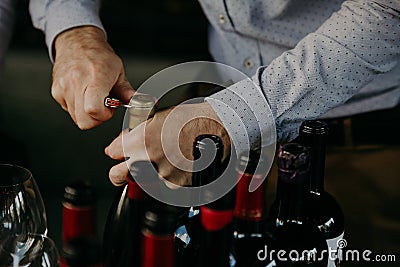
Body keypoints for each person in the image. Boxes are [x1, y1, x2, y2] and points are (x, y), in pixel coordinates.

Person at [19, 0, 400, 257]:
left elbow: (388, 9)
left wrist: (228, 116)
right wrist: (74, 32)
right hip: (209, 123)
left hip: (355, 145)